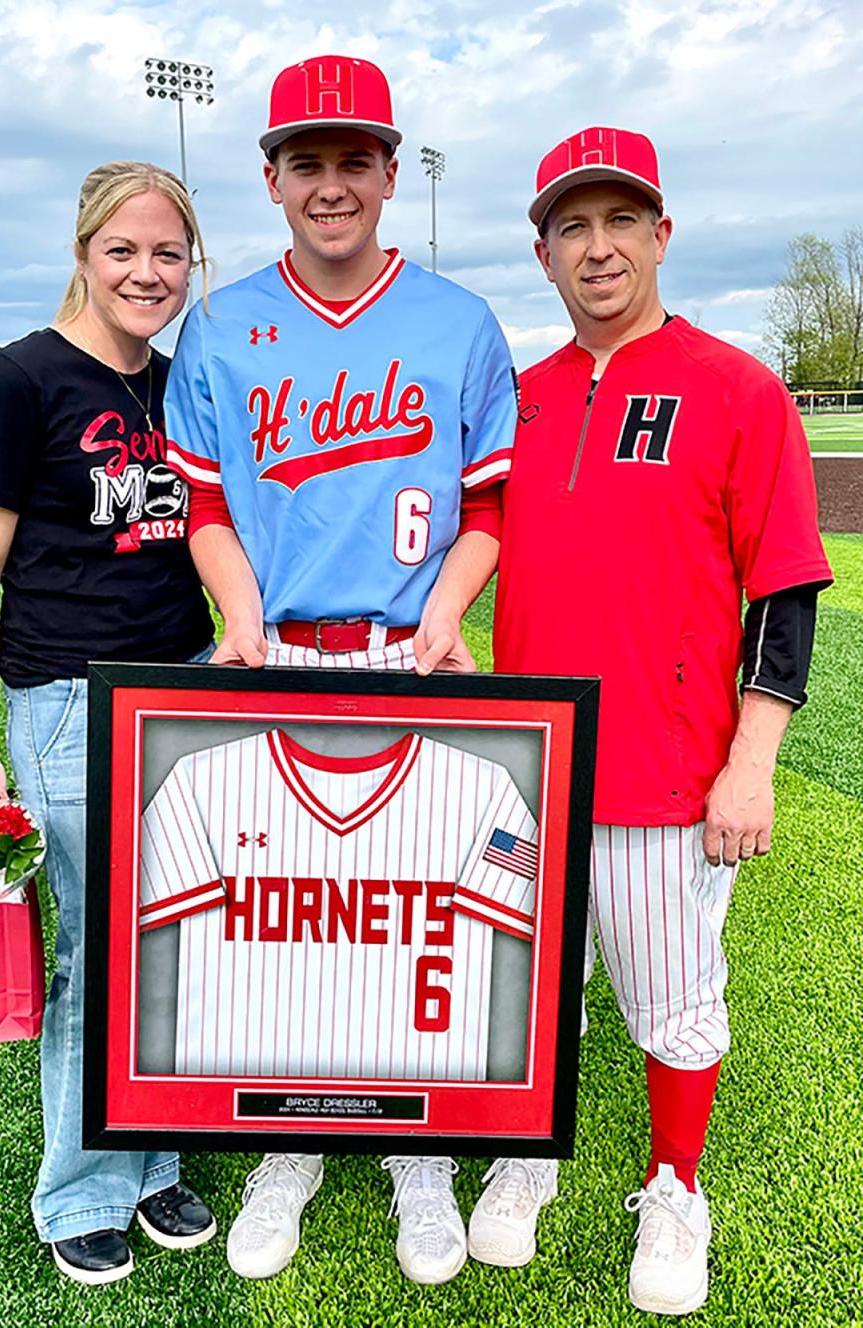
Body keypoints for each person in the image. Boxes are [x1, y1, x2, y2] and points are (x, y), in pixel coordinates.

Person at [164, 54, 543, 1286]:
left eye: (354, 160)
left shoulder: (457, 321)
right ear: (271, 179)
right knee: (285, 925)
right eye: (306, 162)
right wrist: (236, 612)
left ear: (390, 171)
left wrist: (445, 611)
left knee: (407, 920)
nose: (333, 184)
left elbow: (489, 504)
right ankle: (290, 1145)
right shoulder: (220, 325)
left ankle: (418, 1161)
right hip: (272, 658)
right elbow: (206, 502)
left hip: (405, 653)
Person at [492, 126, 833, 1314]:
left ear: (660, 234)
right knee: (528, 982)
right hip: (526, 770)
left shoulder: (735, 387)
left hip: (664, 772)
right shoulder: (523, 398)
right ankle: (526, 1160)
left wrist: (754, 763)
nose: (598, 247)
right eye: (572, 227)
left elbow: (785, 591)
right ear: (543, 255)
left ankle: (676, 1185)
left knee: (673, 995)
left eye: (619, 221)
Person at [0, 161, 219, 1285]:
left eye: (169, 254)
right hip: (70, 700)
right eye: (124, 251)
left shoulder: (179, 382)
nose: (148, 273)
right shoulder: (14, 381)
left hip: (190, 688)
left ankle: (151, 1162)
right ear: (82, 251)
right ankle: (81, 1187)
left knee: (185, 939)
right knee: (95, 957)